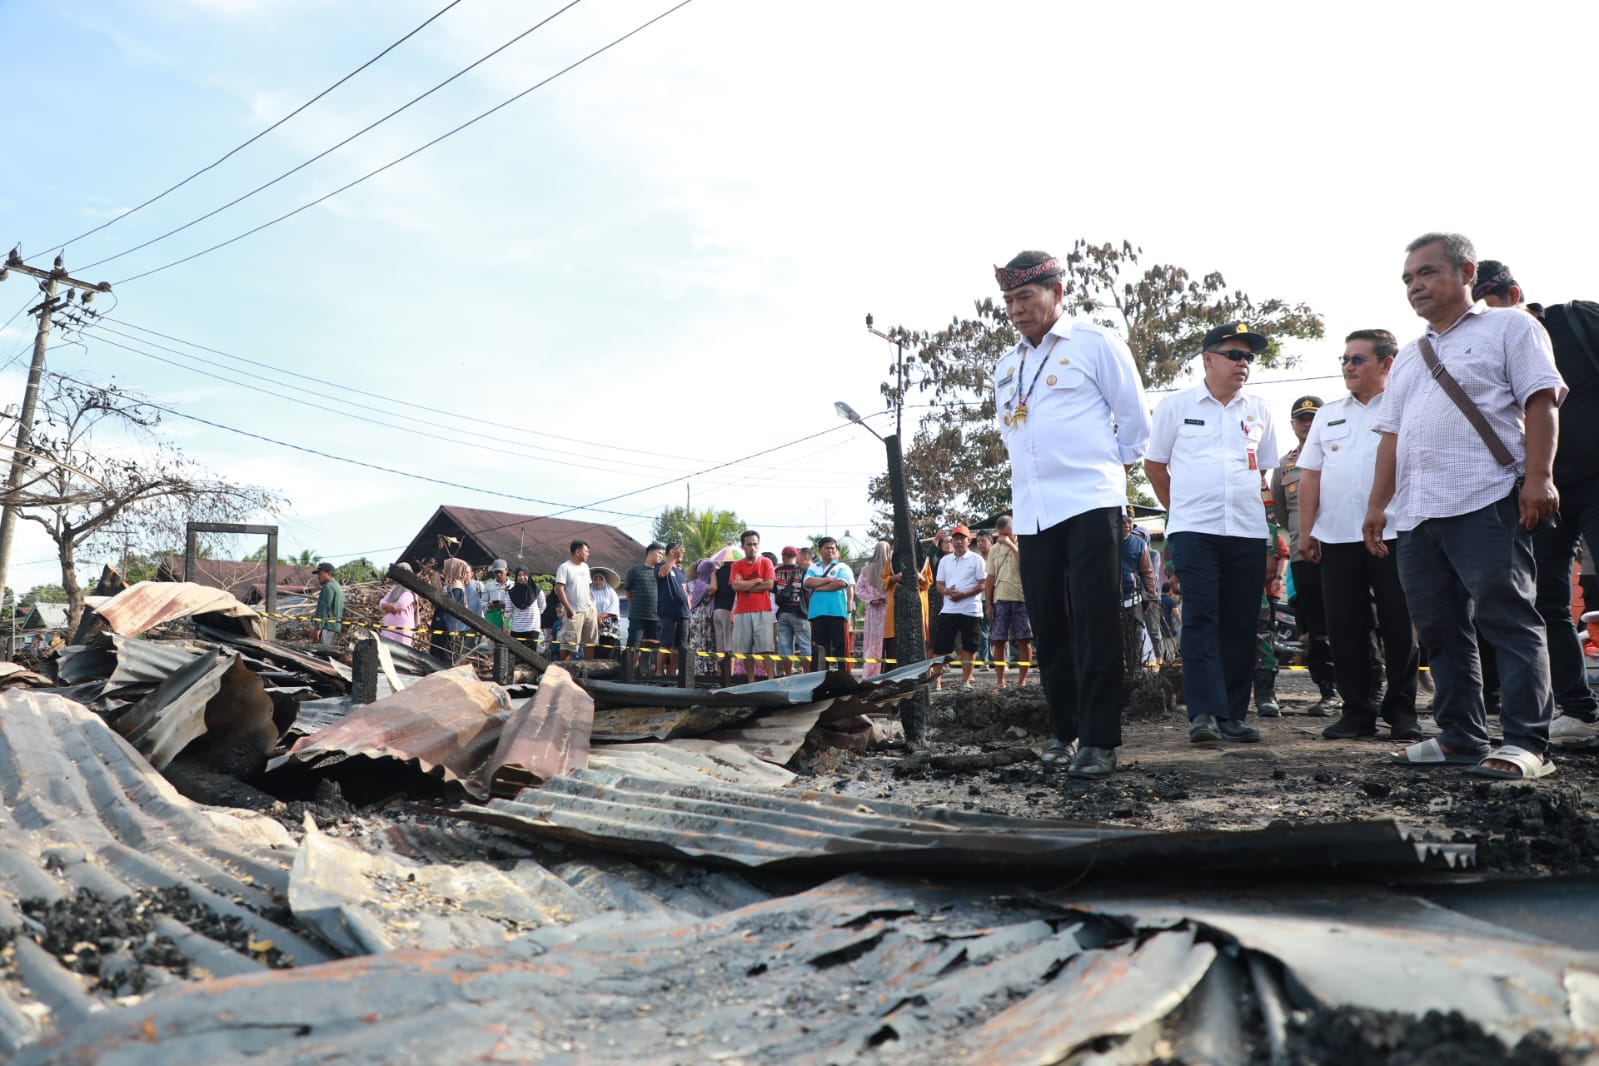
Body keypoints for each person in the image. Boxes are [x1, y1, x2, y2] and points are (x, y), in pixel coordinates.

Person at [1369, 233, 1564, 779]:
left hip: (1487, 497)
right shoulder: (1409, 357)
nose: (1415, 286)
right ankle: (1460, 736)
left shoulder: (1513, 327)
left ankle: (1528, 742)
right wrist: (1378, 506)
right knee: (1439, 628)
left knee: (1508, 617)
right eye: (1408, 278)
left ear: (1466, 272)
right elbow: (1391, 436)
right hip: (1417, 513)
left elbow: (1541, 400)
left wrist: (1539, 479)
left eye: (1427, 273)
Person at [993, 251, 1152, 778]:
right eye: (1009, 300)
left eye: (1026, 297)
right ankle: (1064, 731)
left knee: (1095, 620)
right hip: (1033, 513)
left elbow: (1135, 423)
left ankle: (1100, 740)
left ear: (1057, 293)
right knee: (1051, 628)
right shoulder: (1006, 364)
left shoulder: (1095, 342)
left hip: (1089, 502)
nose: (1016, 310)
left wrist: (1105, 471)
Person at [1475, 261, 1599, 745]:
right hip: (1542, 492)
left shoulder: (1574, 322)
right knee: (1545, 598)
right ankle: (1579, 709)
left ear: (1515, 294)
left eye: (1492, 310)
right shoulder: (1482, 351)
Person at [1146, 321, 1278, 746]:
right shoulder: (1176, 406)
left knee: (1241, 623)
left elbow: (1265, 472)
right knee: (1202, 618)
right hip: (1193, 530)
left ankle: (1233, 715)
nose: (1243, 364)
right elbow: (1154, 465)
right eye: (1234, 355)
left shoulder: (1259, 409)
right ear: (1208, 359)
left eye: (1249, 357)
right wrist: (1179, 509)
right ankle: (1202, 713)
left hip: (1245, 530)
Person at [1298, 328, 1421, 741]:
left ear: (1387, 363)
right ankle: (1357, 710)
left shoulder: (1408, 407)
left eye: (1357, 359)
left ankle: (1402, 712)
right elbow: (1310, 475)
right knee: (1346, 627)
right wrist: (1307, 530)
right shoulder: (1328, 413)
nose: (1348, 367)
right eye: (1345, 359)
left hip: (1396, 531)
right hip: (1336, 536)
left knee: (1399, 625)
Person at [1271, 396, 1340, 715]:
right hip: (1303, 554)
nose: (1307, 424)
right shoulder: (1285, 465)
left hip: (1342, 549)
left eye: (1313, 418)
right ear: (1293, 425)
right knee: (1315, 629)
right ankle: (1329, 692)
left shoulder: (1340, 455)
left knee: (1354, 623)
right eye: (1301, 419)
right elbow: (1284, 515)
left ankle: (1365, 691)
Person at [931, 524, 986, 690]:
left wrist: (964, 594)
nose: (958, 541)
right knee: (940, 646)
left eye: (962, 538)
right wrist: (947, 592)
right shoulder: (944, 560)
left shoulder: (977, 559)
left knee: (970, 646)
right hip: (949, 609)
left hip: (970, 609)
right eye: (956, 538)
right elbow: (939, 584)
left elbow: (982, 584)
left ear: (969, 540)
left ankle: (966, 681)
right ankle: (936, 682)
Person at [1254, 488, 1291, 717]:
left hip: (1263, 587)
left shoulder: (1257, 478)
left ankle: (1265, 694)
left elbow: (1270, 512)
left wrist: (1277, 577)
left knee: (1262, 635)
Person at [984, 515, 1031, 690]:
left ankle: (1022, 680)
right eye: (1000, 534)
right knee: (998, 640)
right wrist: (989, 604)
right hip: (1000, 598)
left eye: (1007, 533)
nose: (1003, 537)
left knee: (1024, 640)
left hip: (1022, 599)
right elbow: (990, 578)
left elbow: (1025, 565)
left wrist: (1011, 545)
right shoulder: (994, 549)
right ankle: (1000, 680)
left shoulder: (1025, 544)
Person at [729, 530, 777, 674]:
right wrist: (756, 581)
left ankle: (770, 679)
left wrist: (745, 585)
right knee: (745, 649)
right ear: (743, 546)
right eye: (749, 544)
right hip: (742, 611)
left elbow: (769, 585)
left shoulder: (766, 562)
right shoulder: (736, 565)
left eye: (755, 544)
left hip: (763, 610)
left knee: (766, 648)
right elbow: (735, 586)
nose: (752, 547)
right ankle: (750, 679)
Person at [804, 537, 854, 670]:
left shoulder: (842, 567)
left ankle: (844, 678)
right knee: (819, 649)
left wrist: (818, 586)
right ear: (820, 550)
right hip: (817, 613)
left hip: (837, 612)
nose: (830, 550)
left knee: (841, 649)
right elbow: (807, 583)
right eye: (827, 547)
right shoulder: (813, 567)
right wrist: (827, 579)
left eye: (833, 548)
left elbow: (841, 583)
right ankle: (819, 679)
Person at [554, 540, 596, 662]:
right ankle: (565, 671)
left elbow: (588, 586)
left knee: (590, 642)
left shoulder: (585, 567)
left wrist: (592, 603)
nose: (588, 554)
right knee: (568, 645)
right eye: (586, 551)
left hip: (589, 609)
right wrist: (568, 609)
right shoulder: (565, 567)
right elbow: (559, 588)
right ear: (578, 552)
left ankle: (590, 671)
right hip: (574, 611)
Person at [856, 541, 893, 678]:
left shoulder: (867, 569)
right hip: (889, 610)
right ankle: (889, 673)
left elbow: (859, 590)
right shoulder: (892, 569)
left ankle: (871, 673)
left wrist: (872, 599)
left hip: (874, 611)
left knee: (873, 642)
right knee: (890, 643)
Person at [623, 543, 664, 666]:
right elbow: (628, 591)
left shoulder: (662, 573)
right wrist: (635, 604)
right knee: (633, 646)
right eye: (659, 553)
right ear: (650, 552)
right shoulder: (635, 571)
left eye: (662, 554)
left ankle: (649, 673)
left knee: (654, 649)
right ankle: (630, 672)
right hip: (637, 616)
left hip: (656, 617)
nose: (661, 556)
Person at [773, 546, 811, 676]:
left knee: (784, 646)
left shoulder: (776, 571)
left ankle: (788, 675)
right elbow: (807, 592)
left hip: (783, 612)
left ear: (783, 556)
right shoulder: (804, 571)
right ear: (796, 557)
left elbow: (774, 590)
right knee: (805, 645)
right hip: (800, 611)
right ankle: (807, 674)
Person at [655, 543, 692, 678]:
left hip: (684, 613)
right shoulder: (661, 566)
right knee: (666, 643)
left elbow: (685, 590)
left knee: (680, 646)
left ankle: (672, 673)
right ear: (672, 551)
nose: (681, 555)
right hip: (668, 612)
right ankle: (659, 671)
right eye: (679, 553)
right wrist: (673, 557)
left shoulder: (681, 571)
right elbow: (662, 573)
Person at [439, 556, 473, 662]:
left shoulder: (456, 587)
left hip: (448, 625)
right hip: (448, 624)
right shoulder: (452, 584)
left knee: (444, 653)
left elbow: (453, 607)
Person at [507, 566, 545, 652]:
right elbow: (508, 611)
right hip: (516, 629)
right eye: (519, 575)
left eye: (524, 575)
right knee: (517, 655)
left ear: (528, 575)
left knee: (531, 655)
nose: (522, 577)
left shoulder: (537, 591)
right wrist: (506, 627)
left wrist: (535, 615)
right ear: (516, 577)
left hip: (532, 628)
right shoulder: (511, 592)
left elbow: (542, 606)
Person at [377, 563, 416, 646]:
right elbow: (381, 603)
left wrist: (388, 606)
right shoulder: (395, 588)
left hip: (402, 628)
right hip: (389, 627)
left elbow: (401, 605)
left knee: (400, 651)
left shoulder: (411, 589)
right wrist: (392, 606)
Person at [313, 561, 345, 647]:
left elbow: (323, 609)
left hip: (326, 628)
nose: (318, 577)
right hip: (335, 628)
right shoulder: (337, 587)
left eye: (320, 574)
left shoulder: (328, 587)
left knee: (320, 655)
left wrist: (318, 627)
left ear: (328, 573)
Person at [592, 570, 621, 657]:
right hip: (593, 620)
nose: (598, 582)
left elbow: (614, 607)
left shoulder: (611, 592)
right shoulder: (589, 591)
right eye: (596, 580)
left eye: (600, 579)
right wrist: (596, 617)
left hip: (608, 623)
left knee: (609, 648)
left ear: (604, 581)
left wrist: (601, 617)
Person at [483, 560, 511, 631]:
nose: (498, 574)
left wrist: (506, 605)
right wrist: (488, 604)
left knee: (508, 640)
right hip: (492, 619)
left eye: (500, 572)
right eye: (496, 572)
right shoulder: (488, 586)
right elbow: (482, 602)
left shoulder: (513, 586)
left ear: (506, 570)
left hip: (509, 619)